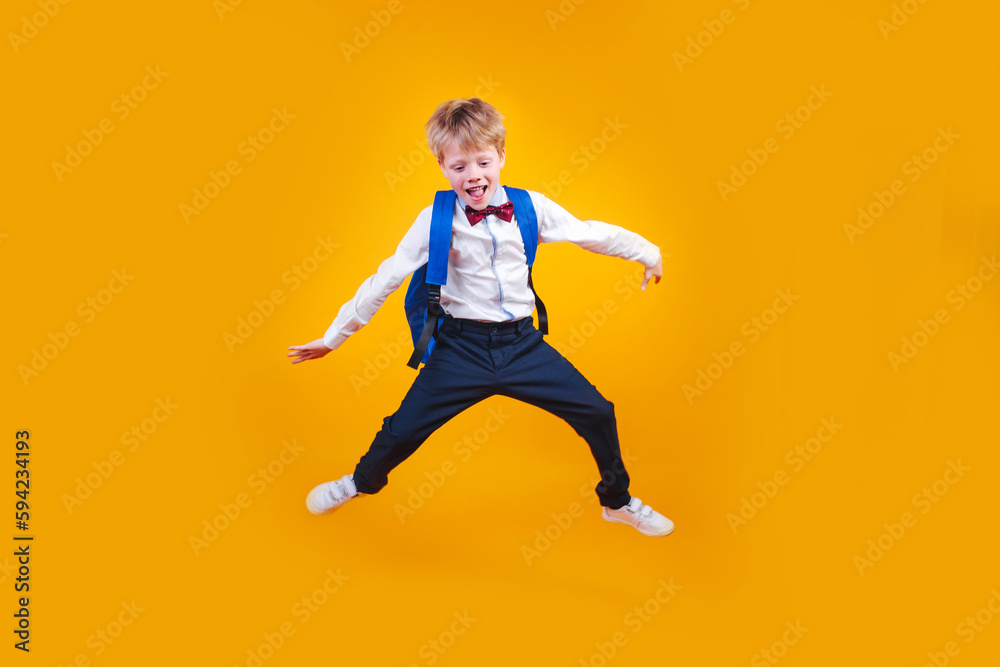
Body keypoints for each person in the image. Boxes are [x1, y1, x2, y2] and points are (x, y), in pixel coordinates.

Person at [288, 97, 673, 537]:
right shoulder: (434, 219)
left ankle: (618, 502)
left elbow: (590, 233)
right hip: (461, 349)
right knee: (402, 429)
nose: (473, 176)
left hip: (522, 346)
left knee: (598, 412)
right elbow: (386, 278)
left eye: (483, 162)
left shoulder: (530, 207)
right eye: (459, 166)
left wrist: (650, 254)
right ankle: (357, 483)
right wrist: (333, 337)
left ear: (502, 155)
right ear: (442, 165)